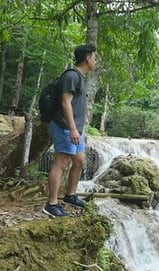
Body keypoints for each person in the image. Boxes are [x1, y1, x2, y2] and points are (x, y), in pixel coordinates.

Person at [43, 44, 97, 217]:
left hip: (76, 130)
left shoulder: (79, 77)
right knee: (61, 162)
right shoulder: (71, 76)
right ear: (88, 58)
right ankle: (51, 204)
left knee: (79, 160)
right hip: (65, 126)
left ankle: (70, 195)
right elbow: (65, 102)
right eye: (94, 57)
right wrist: (73, 129)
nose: (95, 61)